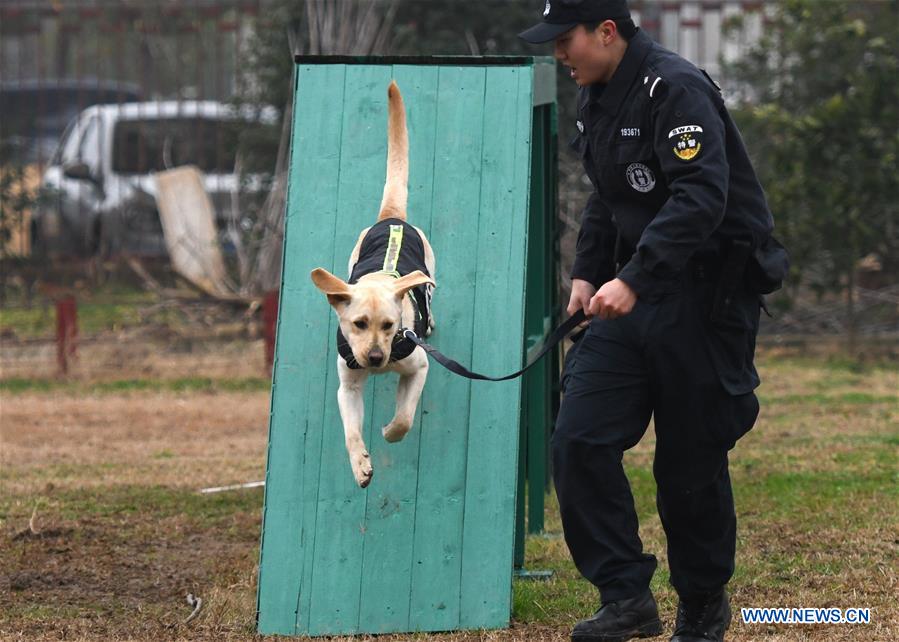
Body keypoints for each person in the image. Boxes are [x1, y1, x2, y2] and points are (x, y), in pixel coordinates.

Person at [519, 2, 789, 642]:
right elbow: (609, 197)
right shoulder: (599, 96)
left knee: (688, 465)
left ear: (606, 32)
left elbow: (702, 196)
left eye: (567, 41)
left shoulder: (676, 88)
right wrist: (588, 274)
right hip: (629, 295)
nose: (560, 55)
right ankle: (625, 597)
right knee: (578, 440)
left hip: (704, 299)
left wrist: (633, 279)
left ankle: (701, 604)